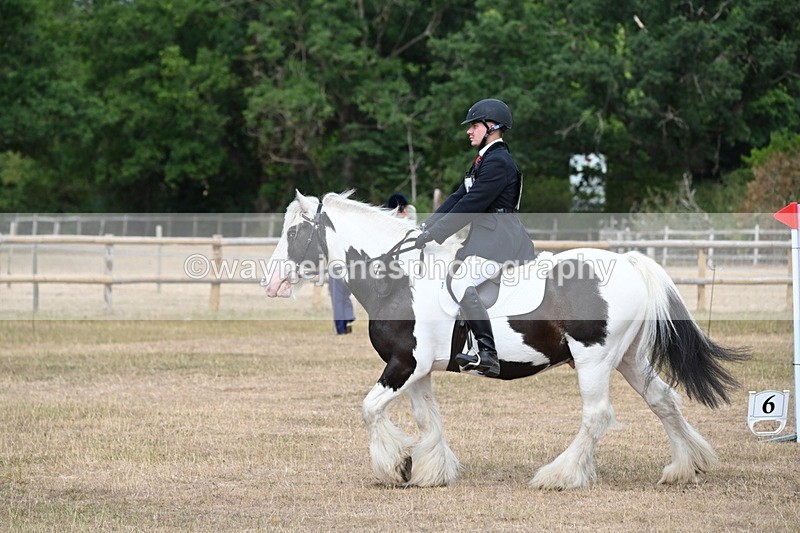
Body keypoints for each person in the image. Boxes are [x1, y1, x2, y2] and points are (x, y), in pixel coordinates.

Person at [414, 98, 535, 377]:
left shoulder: (499, 162)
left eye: (475, 126)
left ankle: (487, 353)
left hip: (500, 240)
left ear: (492, 127)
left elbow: (473, 204)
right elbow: (458, 197)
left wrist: (437, 234)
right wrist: (426, 226)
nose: (469, 131)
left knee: (461, 280)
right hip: (486, 238)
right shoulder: (484, 160)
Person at [328, 264, 355, 335]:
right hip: (349, 268)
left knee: (337, 298)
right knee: (345, 296)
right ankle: (348, 317)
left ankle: (341, 328)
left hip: (336, 268)